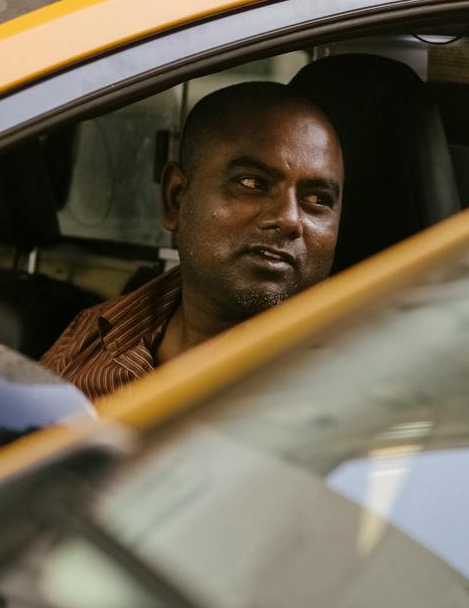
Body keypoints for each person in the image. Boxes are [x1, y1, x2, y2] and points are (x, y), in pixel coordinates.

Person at [41, 81, 344, 402]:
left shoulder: (347, 383)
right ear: (175, 198)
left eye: (317, 199)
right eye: (253, 183)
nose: (289, 219)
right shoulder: (99, 330)